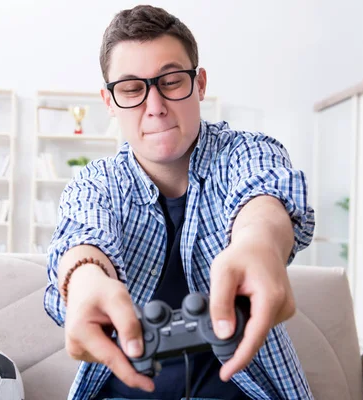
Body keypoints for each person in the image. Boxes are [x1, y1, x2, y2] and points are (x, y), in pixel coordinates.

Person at [43, 5, 315, 400]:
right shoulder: (97, 181)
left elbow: (263, 189)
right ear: (109, 101)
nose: (154, 105)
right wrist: (83, 279)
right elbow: (81, 232)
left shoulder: (245, 151)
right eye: (132, 89)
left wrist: (259, 245)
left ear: (199, 83)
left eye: (171, 81)